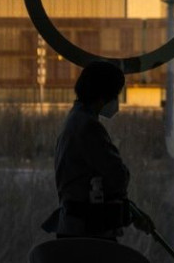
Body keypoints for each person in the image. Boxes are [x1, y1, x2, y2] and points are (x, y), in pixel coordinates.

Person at [41, 61, 152, 239]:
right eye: (115, 95)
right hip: (88, 233)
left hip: (75, 228)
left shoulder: (75, 121)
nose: (116, 101)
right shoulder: (88, 128)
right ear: (102, 96)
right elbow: (117, 176)